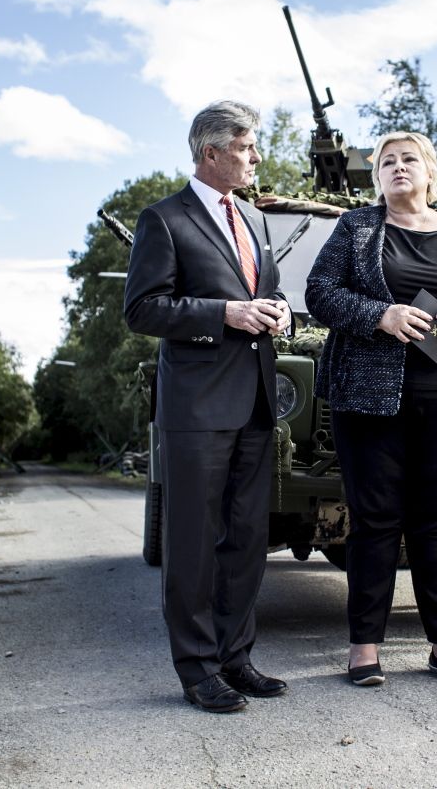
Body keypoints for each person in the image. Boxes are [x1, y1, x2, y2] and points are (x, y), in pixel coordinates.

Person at [306, 131, 437, 686]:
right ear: (377, 177)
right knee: (374, 521)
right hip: (368, 402)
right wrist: (381, 316)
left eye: (409, 159)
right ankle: (364, 647)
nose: (398, 167)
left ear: (429, 171)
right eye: (387, 162)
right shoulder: (356, 228)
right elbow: (319, 292)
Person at [123, 100, 292, 713]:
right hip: (196, 408)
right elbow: (143, 309)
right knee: (193, 542)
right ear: (211, 152)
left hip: (256, 402)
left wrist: (281, 312)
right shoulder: (164, 219)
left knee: (246, 539)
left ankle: (235, 658)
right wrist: (225, 314)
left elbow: (265, 290)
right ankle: (197, 669)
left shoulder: (255, 218)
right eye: (246, 148)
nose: (255, 158)